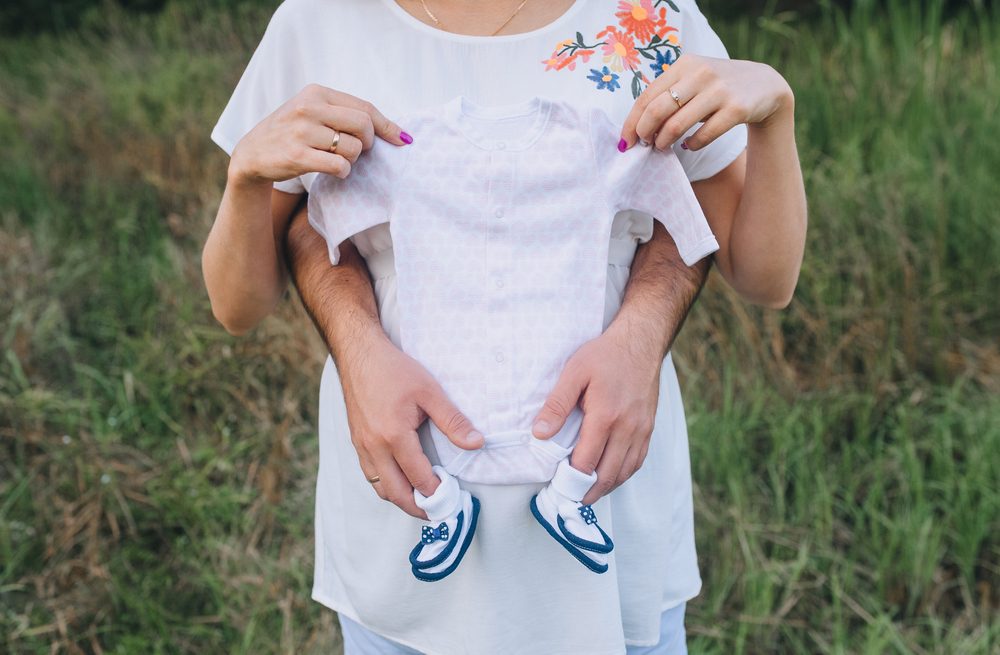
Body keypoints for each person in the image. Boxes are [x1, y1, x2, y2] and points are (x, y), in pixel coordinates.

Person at [202, 0, 806, 651]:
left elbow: (765, 277)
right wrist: (244, 180)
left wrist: (775, 115)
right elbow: (239, 303)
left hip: (608, 516)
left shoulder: (648, 15)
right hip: (409, 530)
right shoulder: (317, 21)